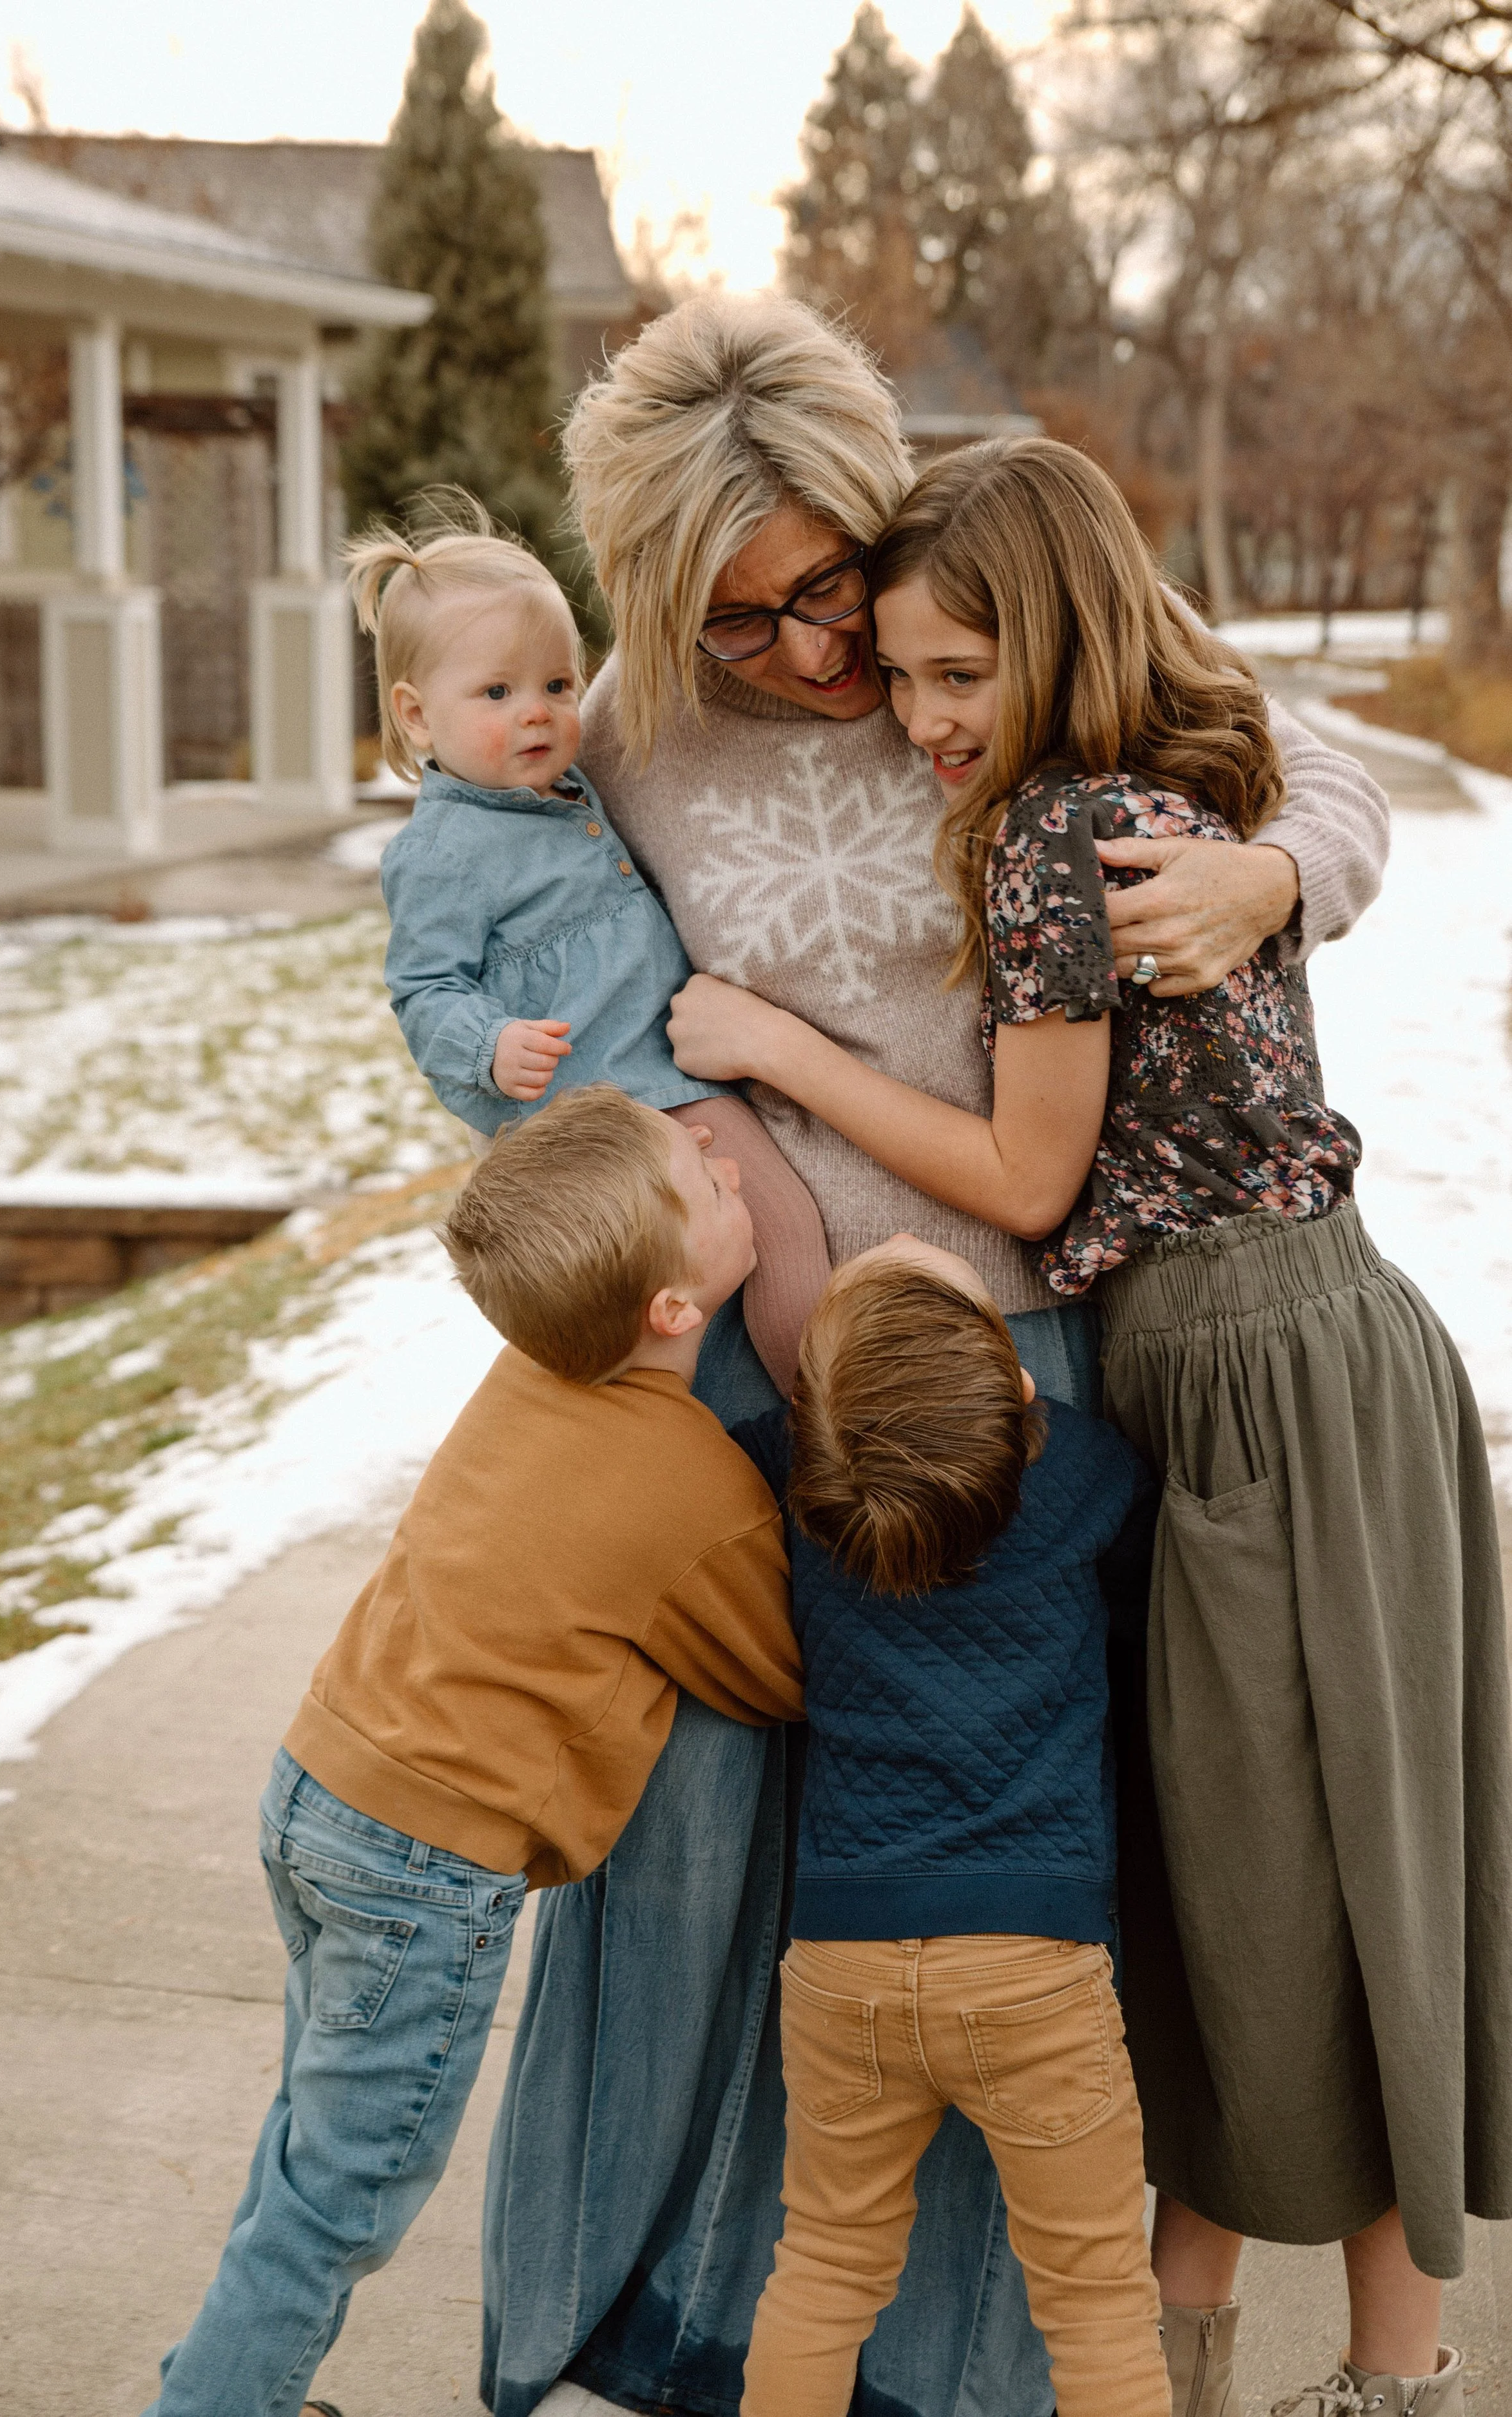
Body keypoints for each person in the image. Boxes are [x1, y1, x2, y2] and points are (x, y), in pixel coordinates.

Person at [481, 292, 1393, 2417]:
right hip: (765, 1378)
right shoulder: (629, 727)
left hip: (1038, 1355)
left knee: (1020, 1869)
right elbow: (499, 925)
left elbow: (1304, 760)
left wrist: (1264, 876)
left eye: (830, 589)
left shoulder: (969, 619)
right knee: (715, 1851)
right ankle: (667, 2322)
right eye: (748, 623)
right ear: (657, 599)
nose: (815, 655)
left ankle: (972, 2371)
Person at [666, 434, 1512, 2417]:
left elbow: (1030, 1179)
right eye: (902, 670)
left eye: (961, 670)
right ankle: (1208, 2357)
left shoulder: (1060, 838)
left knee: (1307, 1875)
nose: (918, 713)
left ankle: (1392, 2378)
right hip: (1297, 1349)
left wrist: (774, 1045)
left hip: (1260, 1381)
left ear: (1055, 641)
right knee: (1248, 1879)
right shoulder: (1158, 776)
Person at [144, 1086, 805, 2417]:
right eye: (703, 1178)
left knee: (303, 2156)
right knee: (335, 2212)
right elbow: (778, 1677)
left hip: (318, 1788)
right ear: (672, 1314)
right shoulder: (690, 1485)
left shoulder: (531, 1366)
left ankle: (231, 2389)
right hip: (421, 1869)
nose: (726, 1159)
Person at [732, 1232, 1167, 2417]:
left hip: (843, 1964)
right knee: (1096, 2298)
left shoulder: (794, 1482)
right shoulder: (1079, 1471)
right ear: (1019, 1386)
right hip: (1034, 1965)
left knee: (823, 2262)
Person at [347, 497, 829, 1396]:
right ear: (416, 717)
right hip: (619, 1108)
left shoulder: (562, 786)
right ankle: (840, 1427)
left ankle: (769, 1425)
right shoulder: (442, 854)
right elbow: (422, 989)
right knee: (778, 1234)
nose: (537, 712)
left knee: (711, 1285)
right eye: (497, 692)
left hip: (661, 1081)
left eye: (558, 686)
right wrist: (489, 1046)